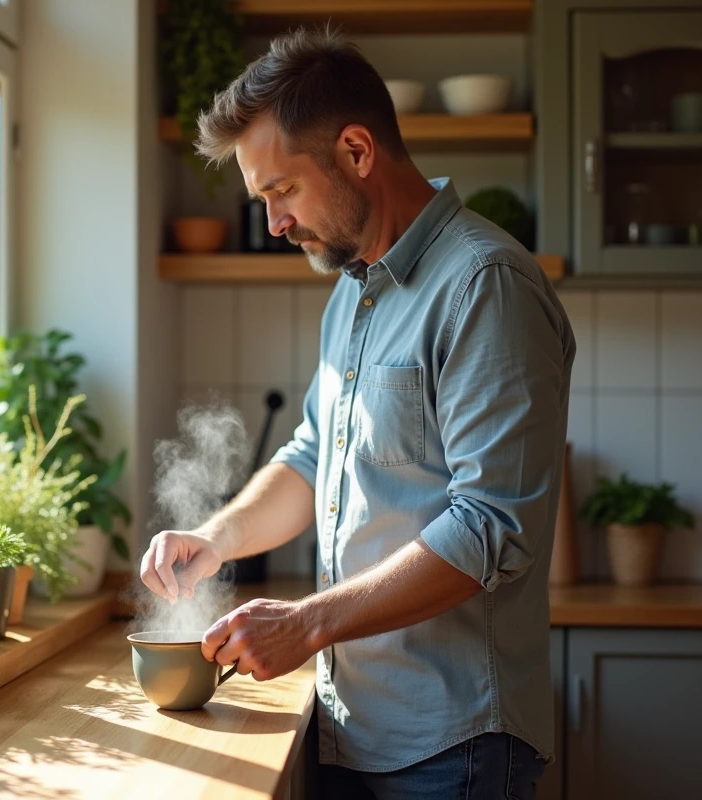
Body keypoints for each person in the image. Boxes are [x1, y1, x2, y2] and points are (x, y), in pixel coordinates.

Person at [140, 28, 576, 800]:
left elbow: (490, 526)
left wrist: (306, 623)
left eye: (282, 191)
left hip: (455, 747)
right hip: (355, 730)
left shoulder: (485, 285)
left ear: (356, 151)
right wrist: (214, 539)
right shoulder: (355, 291)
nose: (273, 223)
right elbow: (314, 456)